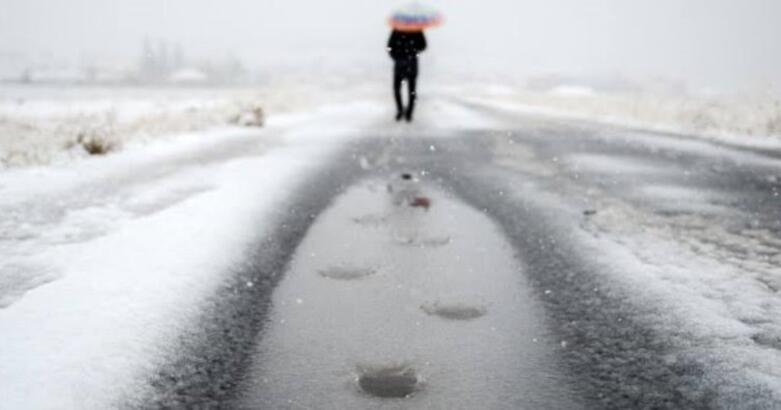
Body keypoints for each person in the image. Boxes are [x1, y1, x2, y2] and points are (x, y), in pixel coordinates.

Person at [387, 29, 427, 122]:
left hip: (411, 64)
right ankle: (400, 110)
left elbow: (423, 45)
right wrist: (396, 56)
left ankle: (409, 113)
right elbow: (389, 47)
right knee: (398, 89)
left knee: (411, 90)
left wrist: (413, 50)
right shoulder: (397, 30)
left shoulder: (417, 31)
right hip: (401, 64)